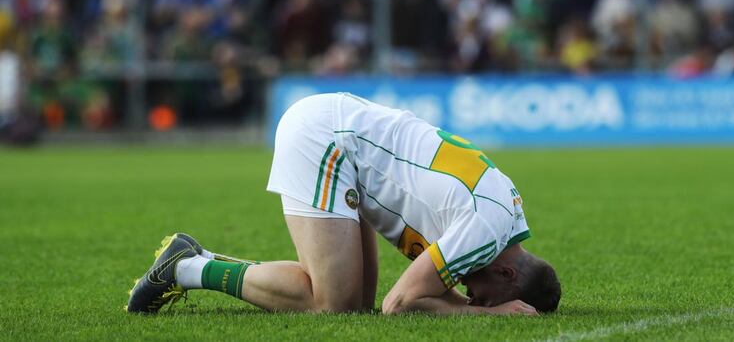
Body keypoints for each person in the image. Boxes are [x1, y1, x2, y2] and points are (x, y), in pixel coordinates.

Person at [126, 93, 560, 315]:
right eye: (485, 297)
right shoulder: (484, 233)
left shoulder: (505, 216)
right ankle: (186, 267)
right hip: (327, 142)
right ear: (506, 271)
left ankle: (192, 262)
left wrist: (470, 306)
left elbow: (424, 291)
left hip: (347, 145)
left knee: (353, 306)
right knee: (330, 303)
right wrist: (489, 317)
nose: (472, 296)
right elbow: (401, 304)